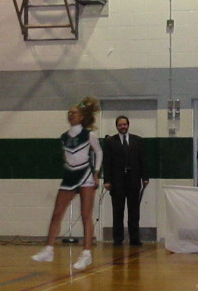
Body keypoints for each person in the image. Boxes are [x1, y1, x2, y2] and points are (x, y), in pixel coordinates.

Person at [32, 97, 103, 271]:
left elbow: (99, 152)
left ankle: (86, 254)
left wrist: (96, 173)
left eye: (75, 112)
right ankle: (49, 249)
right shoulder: (64, 137)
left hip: (85, 174)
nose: (71, 115)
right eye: (69, 113)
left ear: (82, 116)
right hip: (69, 175)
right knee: (57, 213)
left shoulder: (89, 135)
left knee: (86, 215)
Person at [101, 115, 149, 246]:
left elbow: (143, 160)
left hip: (133, 181)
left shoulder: (138, 141)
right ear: (117, 126)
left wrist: (145, 178)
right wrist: (107, 180)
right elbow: (107, 162)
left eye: (124, 124)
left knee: (134, 212)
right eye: (120, 125)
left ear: (128, 125)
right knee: (118, 211)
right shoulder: (110, 142)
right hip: (117, 182)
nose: (123, 127)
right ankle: (118, 239)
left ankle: (134, 238)